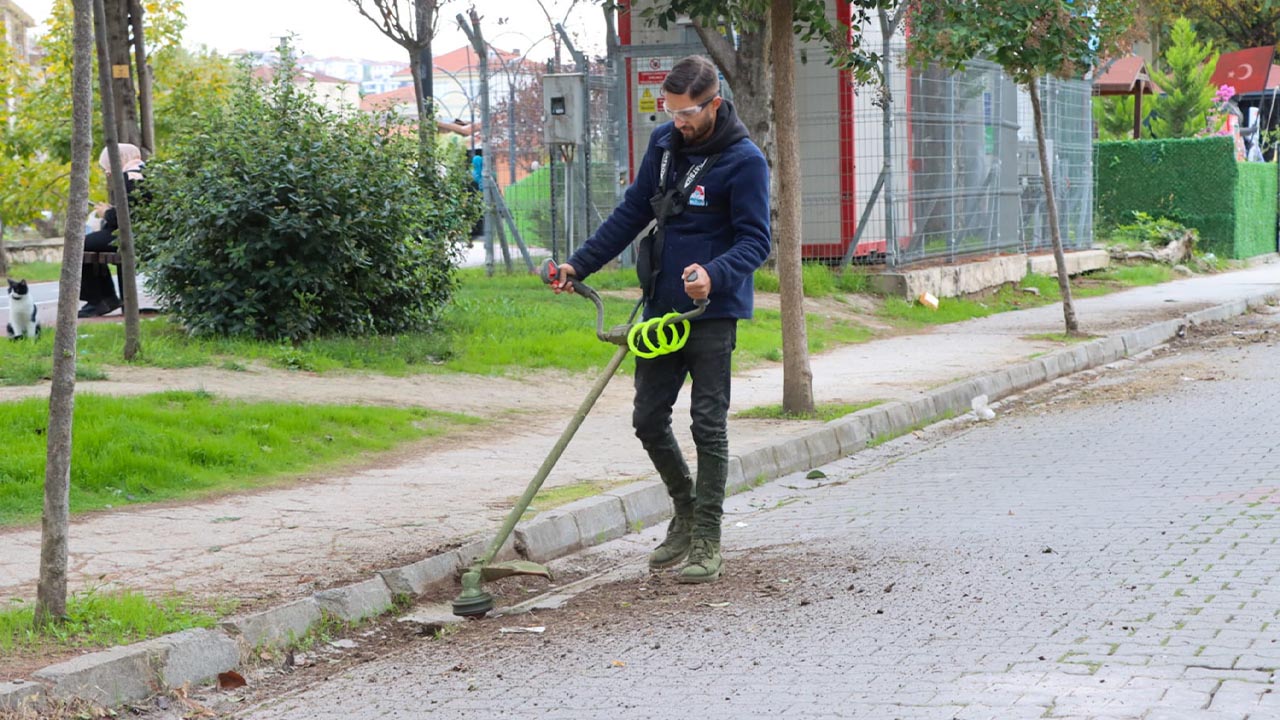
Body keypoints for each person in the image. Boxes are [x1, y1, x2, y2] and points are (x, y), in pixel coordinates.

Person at [553, 55, 770, 584]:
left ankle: (707, 540)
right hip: (660, 312)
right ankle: (686, 508)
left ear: (714, 104)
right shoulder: (665, 145)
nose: (678, 121)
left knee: (707, 425)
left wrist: (714, 274)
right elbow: (633, 211)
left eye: (687, 113)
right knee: (648, 420)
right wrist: (578, 264)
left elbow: (756, 241)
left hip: (710, 313)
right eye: (669, 111)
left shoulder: (745, 161)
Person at [80, 143, 144, 318]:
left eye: (107, 166)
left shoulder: (129, 177)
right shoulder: (141, 172)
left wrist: (106, 213)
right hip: (141, 234)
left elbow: (128, 217)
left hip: (132, 236)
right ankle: (106, 299)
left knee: (80, 245)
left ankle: (99, 299)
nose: (107, 172)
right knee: (92, 242)